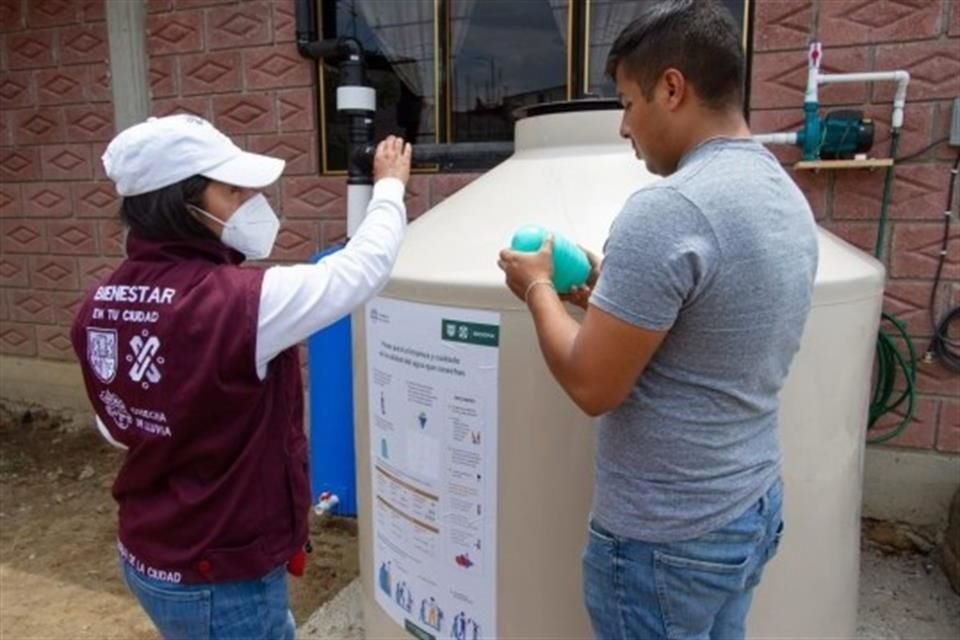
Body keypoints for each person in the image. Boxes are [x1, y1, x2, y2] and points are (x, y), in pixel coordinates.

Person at [497, 2, 819, 638]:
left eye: (626, 102)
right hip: (746, 506)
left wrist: (535, 287)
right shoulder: (783, 195)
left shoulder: (670, 209)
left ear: (672, 88)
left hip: (665, 541)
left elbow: (593, 385)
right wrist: (606, 293)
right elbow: (706, 329)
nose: (623, 127)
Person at [70, 113, 411, 640]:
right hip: (218, 572)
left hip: (150, 553)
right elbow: (358, 272)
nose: (253, 203)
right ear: (182, 205)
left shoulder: (99, 303)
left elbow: (115, 428)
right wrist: (388, 188)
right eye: (234, 191)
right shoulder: (238, 304)